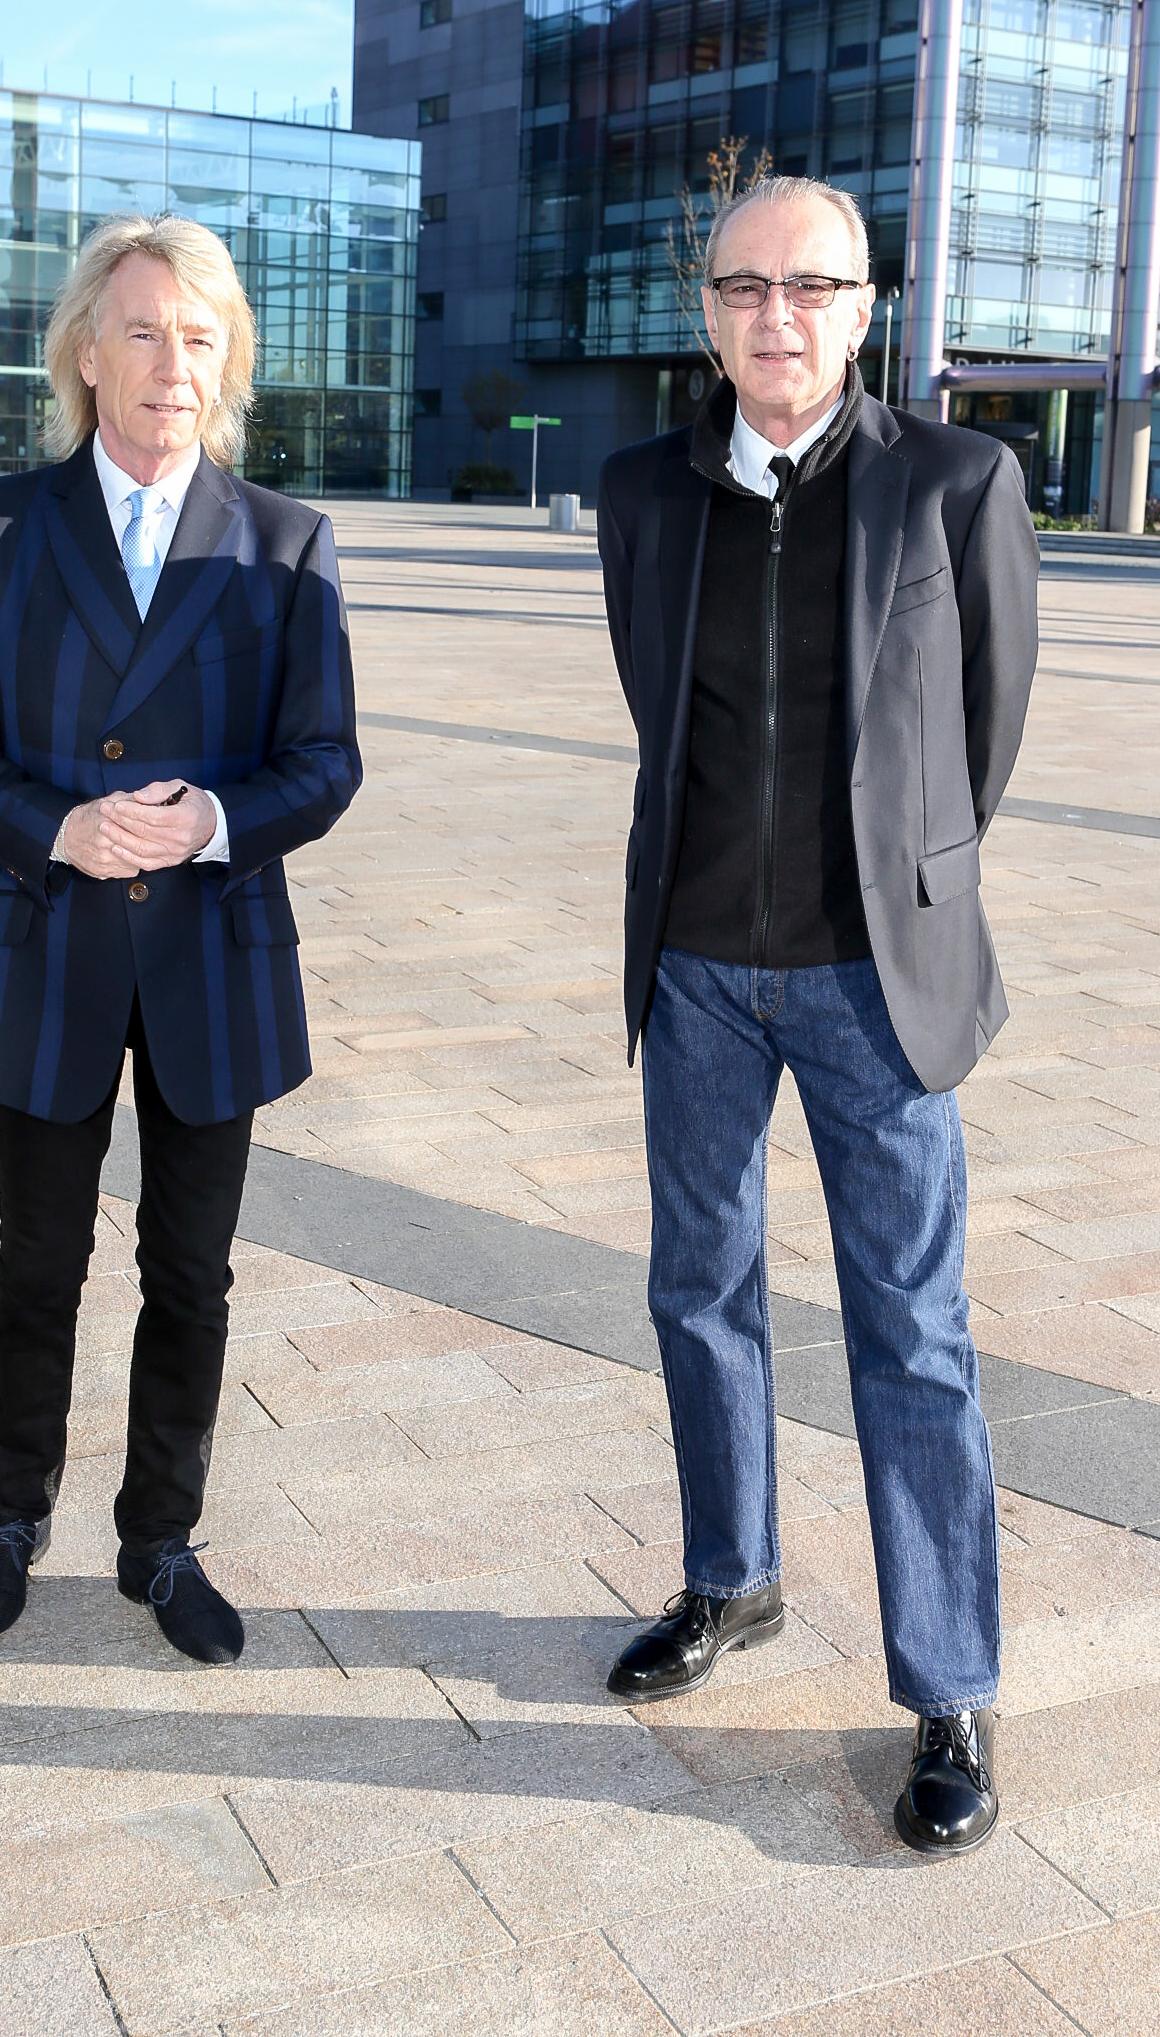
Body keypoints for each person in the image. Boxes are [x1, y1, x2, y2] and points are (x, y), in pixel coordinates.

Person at [597, 175, 1038, 1854]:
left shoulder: (953, 480)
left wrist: (902, 890)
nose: (772, 316)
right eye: (741, 288)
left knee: (908, 1329)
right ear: (705, 309)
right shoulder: (643, 493)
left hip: (873, 982)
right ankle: (729, 1579)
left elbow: (979, 733)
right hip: (697, 965)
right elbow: (657, 705)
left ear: (863, 307)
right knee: (695, 1286)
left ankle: (946, 1682)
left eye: (808, 287)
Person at [0, 214, 360, 1665]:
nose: (175, 363)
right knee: (35, 1259)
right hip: (48, 945)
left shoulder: (286, 544)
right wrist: (61, 825)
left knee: (191, 1270)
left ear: (230, 365)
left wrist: (212, 821)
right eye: (148, 331)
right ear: (87, 352)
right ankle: (11, 1513)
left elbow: (324, 762)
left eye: (202, 337)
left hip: (211, 963)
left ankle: (159, 1537)